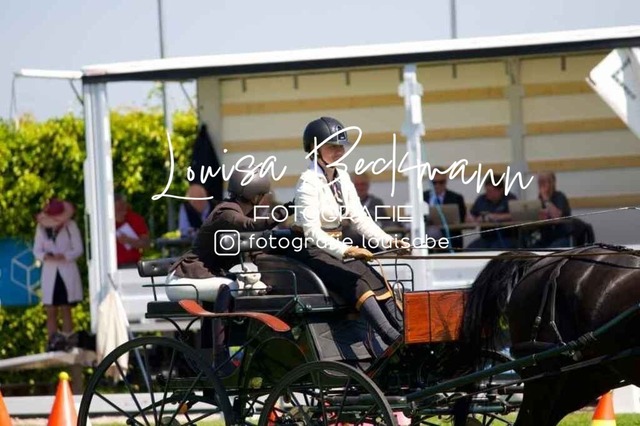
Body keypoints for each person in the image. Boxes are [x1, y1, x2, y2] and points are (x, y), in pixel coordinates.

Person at [283, 116, 410, 348]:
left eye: (341, 146)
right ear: (315, 149)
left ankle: (407, 333)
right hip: (312, 252)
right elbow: (311, 232)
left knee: (376, 279)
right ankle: (392, 340)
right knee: (358, 282)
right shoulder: (308, 182)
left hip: (337, 248)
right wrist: (347, 250)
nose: (339, 151)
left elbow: (360, 218)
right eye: (332, 146)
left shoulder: (342, 177)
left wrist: (389, 242)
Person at [167, 169, 289, 376]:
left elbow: (257, 251)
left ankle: (244, 349)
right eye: (262, 195)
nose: (264, 199)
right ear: (255, 195)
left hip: (203, 279)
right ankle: (220, 355)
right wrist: (286, 210)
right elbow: (250, 226)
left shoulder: (240, 212)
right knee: (230, 286)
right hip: (183, 279)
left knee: (251, 288)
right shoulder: (226, 211)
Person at [33, 198, 84, 351]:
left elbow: (78, 249)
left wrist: (64, 256)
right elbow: (37, 250)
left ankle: (68, 341)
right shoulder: (41, 228)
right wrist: (46, 256)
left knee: (66, 307)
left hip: (66, 270)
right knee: (50, 309)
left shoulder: (70, 226)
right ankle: (52, 343)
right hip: (50, 272)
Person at [343, 171, 395, 250]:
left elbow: (384, 223)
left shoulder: (376, 202)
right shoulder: (344, 203)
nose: (360, 187)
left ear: (368, 185)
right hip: (351, 243)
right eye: (357, 184)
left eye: (363, 184)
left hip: (373, 242)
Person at [466, 178, 517, 250]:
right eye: (486, 190)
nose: (487, 193)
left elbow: (516, 215)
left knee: (495, 249)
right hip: (486, 238)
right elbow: (472, 215)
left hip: (506, 237)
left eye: (490, 191)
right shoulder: (481, 200)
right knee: (469, 250)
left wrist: (496, 217)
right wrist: (471, 219)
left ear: (501, 190)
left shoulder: (510, 199)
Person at [423, 169, 467, 250]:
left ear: (446, 182)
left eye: (441, 182)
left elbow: (461, 218)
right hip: (427, 236)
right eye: (434, 183)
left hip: (450, 235)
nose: (437, 185)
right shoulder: (422, 197)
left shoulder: (456, 198)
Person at [531, 171, 572, 248]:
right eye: (540, 182)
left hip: (560, 237)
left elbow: (556, 218)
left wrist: (546, 199)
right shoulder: (540, 199)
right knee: (529, 250)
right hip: (545, 239)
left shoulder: (559, 196)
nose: (541, 185)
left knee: (550, 251)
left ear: (552, 183)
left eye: (544, 182)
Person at [115, 193, 151, 267]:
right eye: (117, 209)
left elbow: (146, 244)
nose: (122, 210)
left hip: (132, 264)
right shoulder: (104, 222)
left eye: (123, 206)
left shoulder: (135, 219)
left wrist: (129, 240)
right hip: (109, 265)